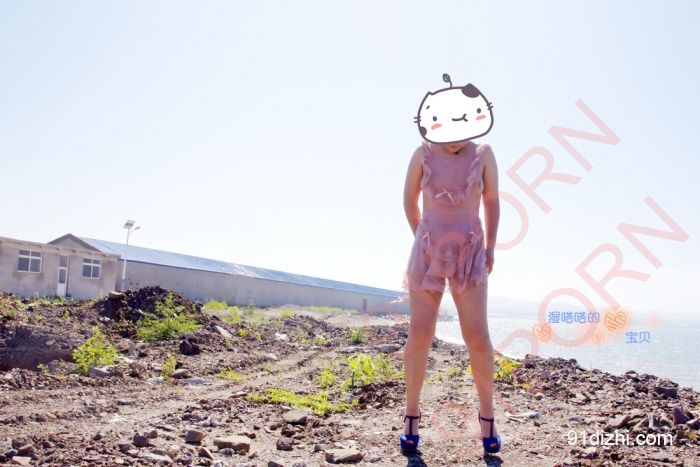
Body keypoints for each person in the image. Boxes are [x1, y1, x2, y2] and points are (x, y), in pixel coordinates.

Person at [400, 131, 501, 454]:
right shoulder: (422, 154)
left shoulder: (483, 154)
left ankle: (488, 418)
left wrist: (490, 247)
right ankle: (411, 417)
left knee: (478, 337)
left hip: (470, 250)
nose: (455, 140)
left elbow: (492, 201)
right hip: (428, 251)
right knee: (419, 334)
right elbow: (409, 199)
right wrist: (423, 237)